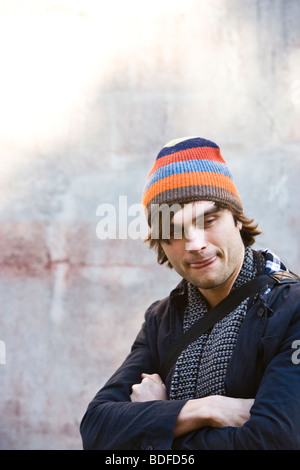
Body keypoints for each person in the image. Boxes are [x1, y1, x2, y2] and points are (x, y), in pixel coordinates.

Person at [80, 136, 300, 450]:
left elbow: (274, 441)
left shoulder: (291, 310)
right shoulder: (162, 320)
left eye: (208, 220)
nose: (195, 244)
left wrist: (152, 421)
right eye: (173, 232)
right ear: (161, 244)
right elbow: (97, 430)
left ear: (237, 219)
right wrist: (205, 409)